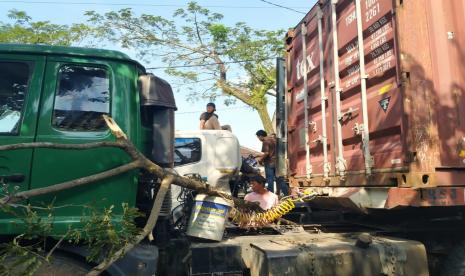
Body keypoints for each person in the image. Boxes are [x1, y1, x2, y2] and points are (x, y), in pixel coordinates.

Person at [255, 129, 289, 196]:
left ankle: (270, 196)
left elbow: (267, 153)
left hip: (270, 163)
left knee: (270, 180)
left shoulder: (265, 141)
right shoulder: (274, 140)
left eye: (258, 137)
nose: (258, 139)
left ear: (261, 136)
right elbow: (271, 152)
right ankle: (287, 195)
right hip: (278, 163)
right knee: (280, 180)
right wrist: (258, 155)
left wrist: (260, 160)